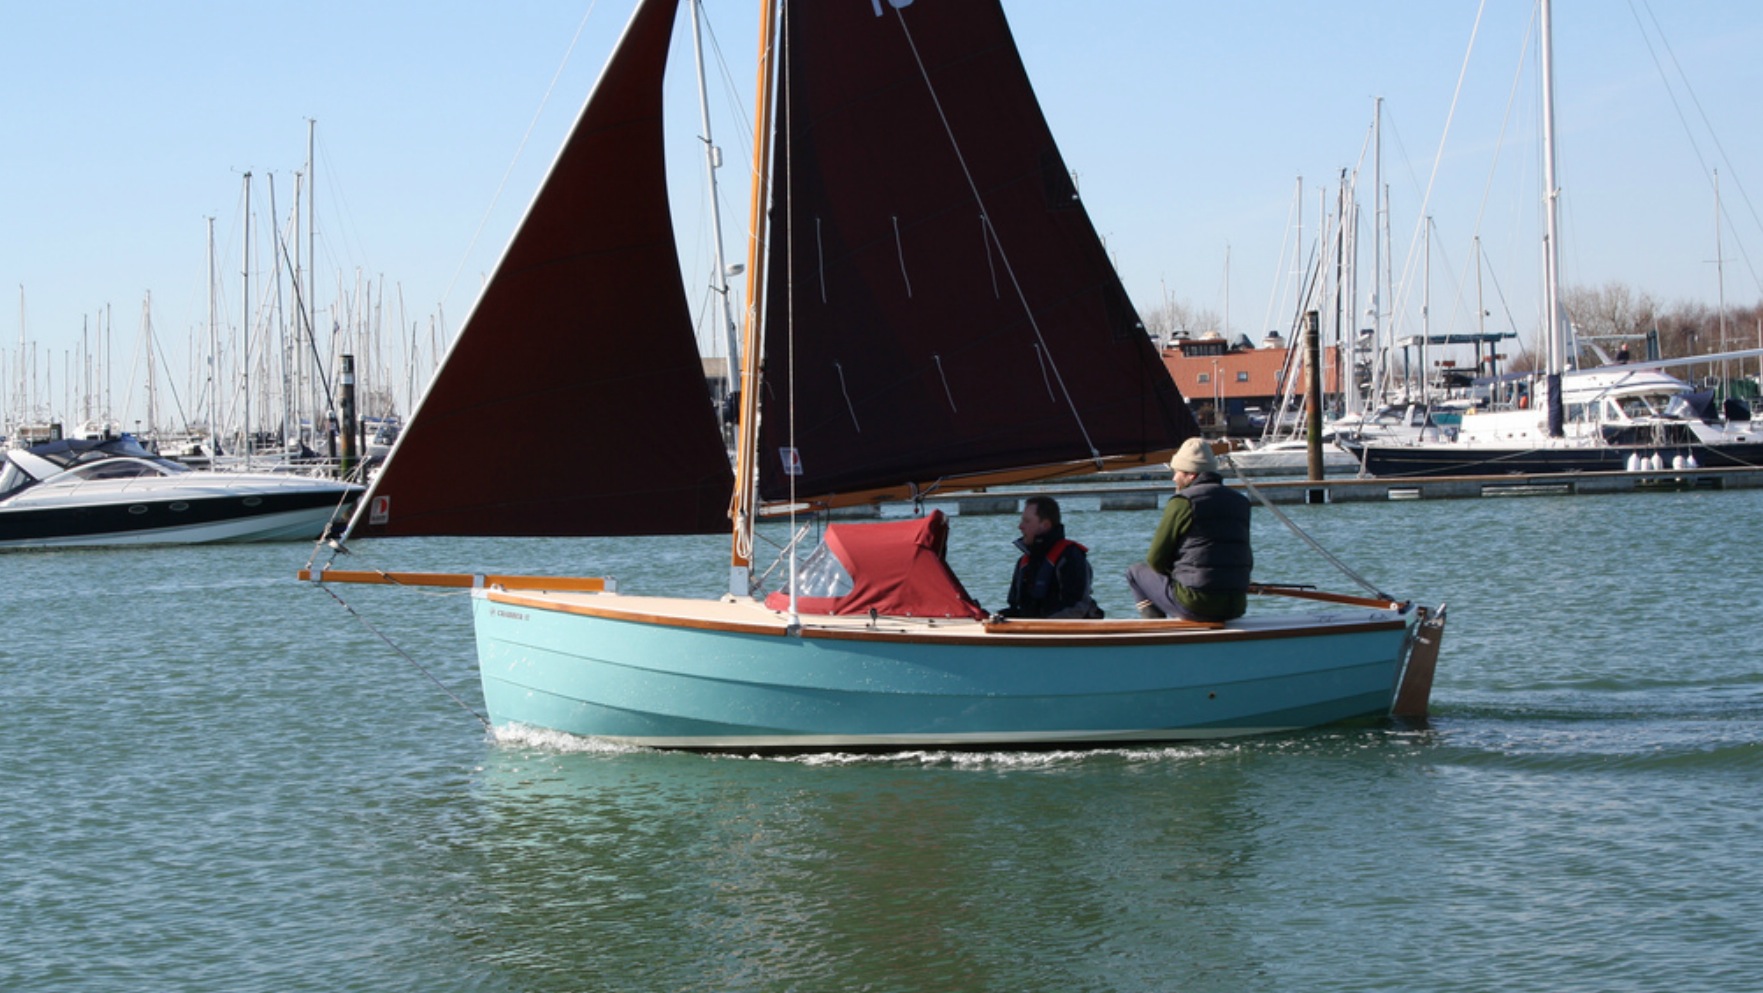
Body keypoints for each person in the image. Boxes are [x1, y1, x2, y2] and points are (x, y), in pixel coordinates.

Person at [1127, 437, 1253, 621]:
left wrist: (1176, 574)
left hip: (1196, 603)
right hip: (1236, 605)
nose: (1174, 478)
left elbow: (1155, 559)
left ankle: (1156, 632)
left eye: (1177, 472)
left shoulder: (1183, 502)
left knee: (1135, 572)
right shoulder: (1241, 501)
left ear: (1191, 475)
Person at [1000, 495, 1102, 619]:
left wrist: (1040, 627)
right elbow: (1015, 607)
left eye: (1027, 521)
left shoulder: (1070, 557)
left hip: (1066, 633)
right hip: (1034, 632)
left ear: (1045, 525)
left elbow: (1077, 607)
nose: (1020, 526)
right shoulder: (1024, 562)